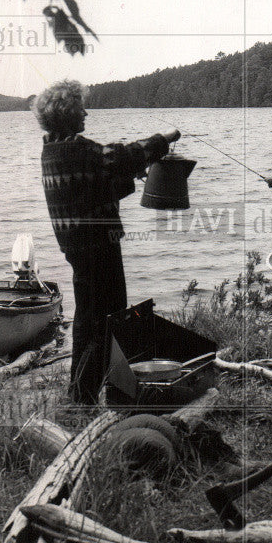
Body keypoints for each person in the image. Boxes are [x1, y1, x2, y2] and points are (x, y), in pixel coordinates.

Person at [33, 80, 174, 406]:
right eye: (81, 107)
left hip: (74, 247)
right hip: (98, 246)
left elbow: (93, 183)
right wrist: (162, 140)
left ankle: (81, 394)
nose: (86, 112)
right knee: (108, 319)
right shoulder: (78, 150)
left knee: (86, 319)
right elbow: (123, 156)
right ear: (69, 113)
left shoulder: (51, 150)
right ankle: (92, 397)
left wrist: (125, 175)